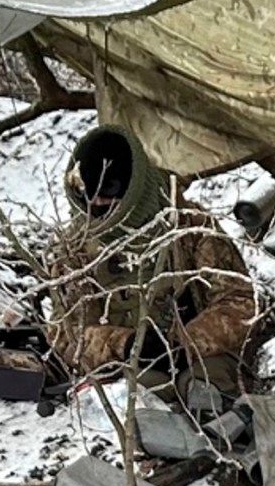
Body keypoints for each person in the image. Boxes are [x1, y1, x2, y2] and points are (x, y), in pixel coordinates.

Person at [44, 125, 260, 397]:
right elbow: (64, 336)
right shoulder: (75, 250)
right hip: (124, 367)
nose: (97, 202)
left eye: (109, 188)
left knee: (205, 391)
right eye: (87, 191)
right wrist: (125, 344)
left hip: (200, 357)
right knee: (143, 396)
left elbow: (241, 304)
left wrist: (183, 345)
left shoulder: (189, 228)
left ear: (133, 186)